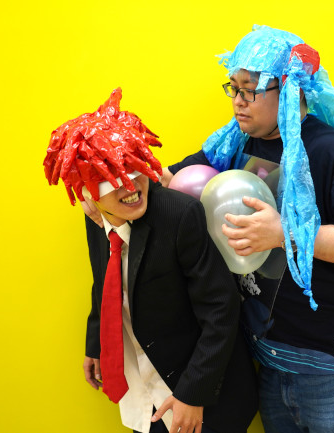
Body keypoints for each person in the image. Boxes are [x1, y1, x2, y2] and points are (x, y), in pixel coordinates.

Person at [161, 25, 334, 433]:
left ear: (288, 87)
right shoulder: (235, 143)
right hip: (269, 361)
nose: (237, 101)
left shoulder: (332, 151)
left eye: (249, 90)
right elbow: (171, 181)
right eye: (233, 88)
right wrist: (112, 183)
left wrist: (283, 233)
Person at [44, 88, 258, 433]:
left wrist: (193, 393)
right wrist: (98, 342)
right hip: (143, 391)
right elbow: (105, 279)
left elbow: (221, 307)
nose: (131, 187)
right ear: (86, 193)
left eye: (133, 169)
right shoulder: (95, 216)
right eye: (111, 180)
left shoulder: (179, 215)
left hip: (201, 393)